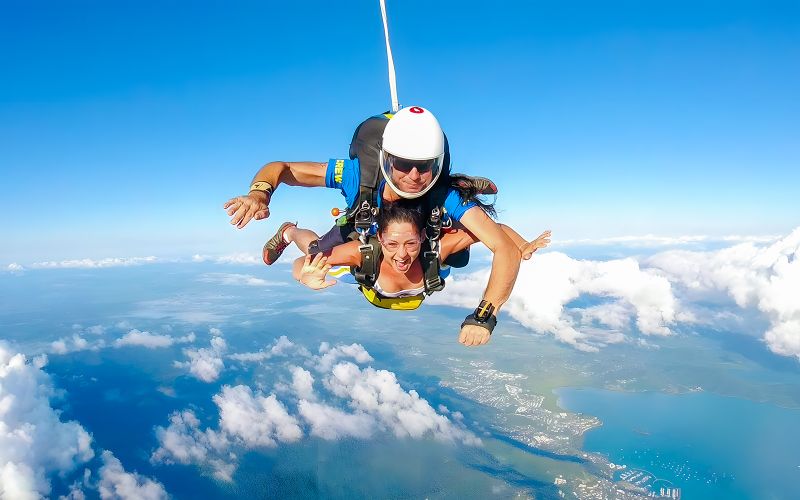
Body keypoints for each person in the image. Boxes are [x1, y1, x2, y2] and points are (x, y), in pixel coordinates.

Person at [224, 106, 525, 346]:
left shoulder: (443, 194)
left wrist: (485, 315)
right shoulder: (357, 174)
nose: (414, 176)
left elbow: (502, 246)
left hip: (414, 231)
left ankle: (462, 184)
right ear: (386, 159)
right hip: (363, 224)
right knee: (315, 250)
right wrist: (260, 193)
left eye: (425, 166)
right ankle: (289, 231)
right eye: (404, 163)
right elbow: (284, 169)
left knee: (456, 255)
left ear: (437, 163)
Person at [285, 202, 550, 346]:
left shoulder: (436, 249)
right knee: (315, 246)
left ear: (423, 237)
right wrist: (305, 276)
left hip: (412, 277)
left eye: (411, 243)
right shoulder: (361, 252)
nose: (402, 255)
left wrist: (522, 245)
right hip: (365, 280)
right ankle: (289, 231)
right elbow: (303, 262)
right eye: (391, 244)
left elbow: (495, 229)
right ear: (379, 238)